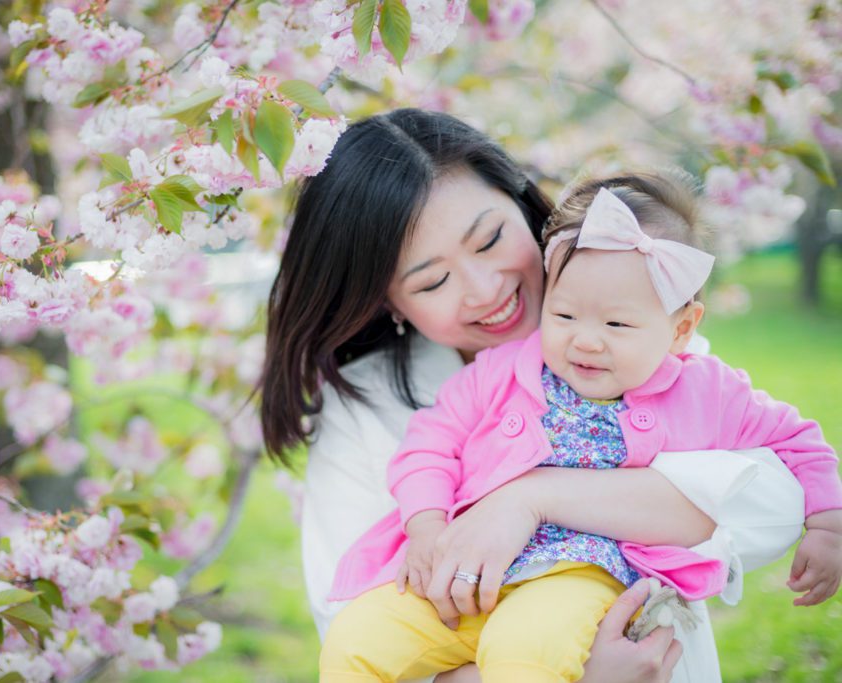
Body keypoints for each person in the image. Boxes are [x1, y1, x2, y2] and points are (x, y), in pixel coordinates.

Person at [260, 109, 811, 682]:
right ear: (388, 302)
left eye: (491, 239)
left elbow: (772, 503)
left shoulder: (638, 353)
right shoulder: (364, 408)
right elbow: (348, 628)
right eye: (431, 281)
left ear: (523, 207)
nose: (485, 289)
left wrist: (532, 497)